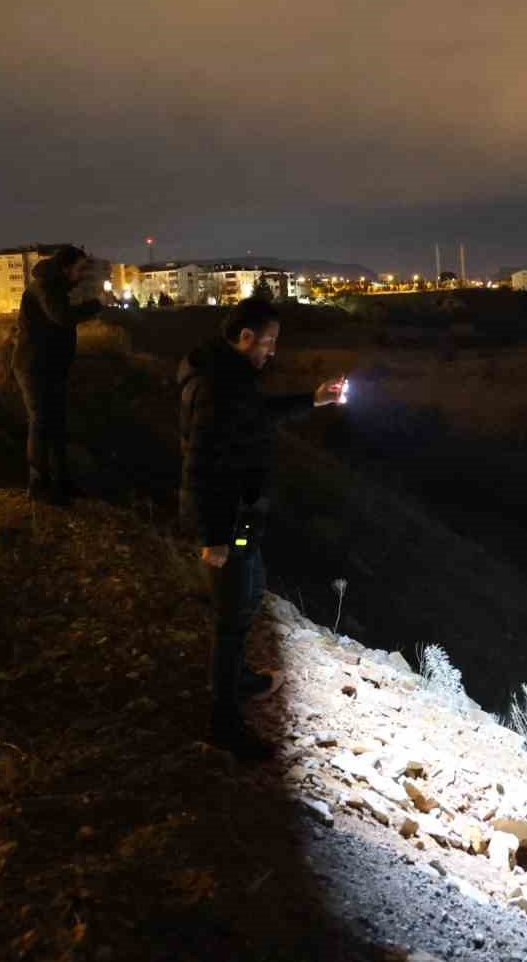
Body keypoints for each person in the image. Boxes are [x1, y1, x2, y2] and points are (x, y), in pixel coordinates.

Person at [178, 297, 346, 759]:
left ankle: (242, 680)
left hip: (243, 515)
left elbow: (257, 414)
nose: (272, 351)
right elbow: (201, 463)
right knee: (231, 615)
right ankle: (224, 724)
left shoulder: (233, 379)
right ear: (245, 337)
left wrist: (313, 398)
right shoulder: (216, 386)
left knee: (249, 595)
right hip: (226, 519)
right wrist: (212, 537)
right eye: (268, 342)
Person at [11, 245, 103, 505]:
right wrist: (94, 306)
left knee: (57, 425)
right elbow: (61, 317)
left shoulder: (57, 286)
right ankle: (37, 486)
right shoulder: (44, 286)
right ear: (65, 267)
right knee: (41, 423)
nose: (83, 274)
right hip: (34, 367)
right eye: (80, 268)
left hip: (51, 367)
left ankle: (62, 482)